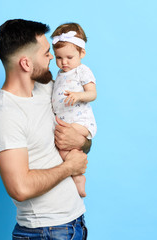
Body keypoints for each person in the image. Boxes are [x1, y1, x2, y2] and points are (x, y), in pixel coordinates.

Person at [0, 19, 91, 239]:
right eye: (45, 54)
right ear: (25, 63)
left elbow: (83, 136)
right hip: (45, 231)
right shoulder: (5, 115)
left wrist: (80, 141)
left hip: (73, 222)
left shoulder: (48, 89)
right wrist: (69, 167)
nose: (52, 57)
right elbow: (20, 188)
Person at [51, 23, 97, 197]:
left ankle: (78, 178)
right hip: (66, 121)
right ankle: (76, 175)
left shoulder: (82, 71)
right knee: (63, 149)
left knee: (68, 142)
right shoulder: (60, 74)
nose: (64, 62)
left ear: (82, 53)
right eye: (59, 58)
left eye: (69, 57)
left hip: (80, 121)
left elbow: (92, 93)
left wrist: (79, 95)